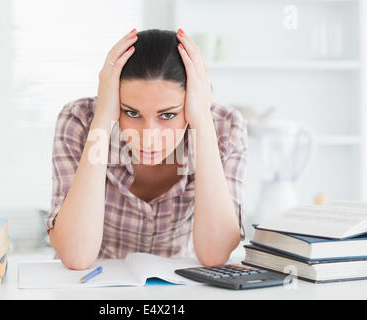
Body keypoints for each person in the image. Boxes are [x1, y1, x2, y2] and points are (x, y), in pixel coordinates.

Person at [46, 28, 248, 270]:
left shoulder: (226, 126)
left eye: (168, 115)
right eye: (131, 112)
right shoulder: (79, 120)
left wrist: (202, 121)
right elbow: (76, 256)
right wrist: (103, 119)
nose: (148, 137)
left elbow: (215, 255)